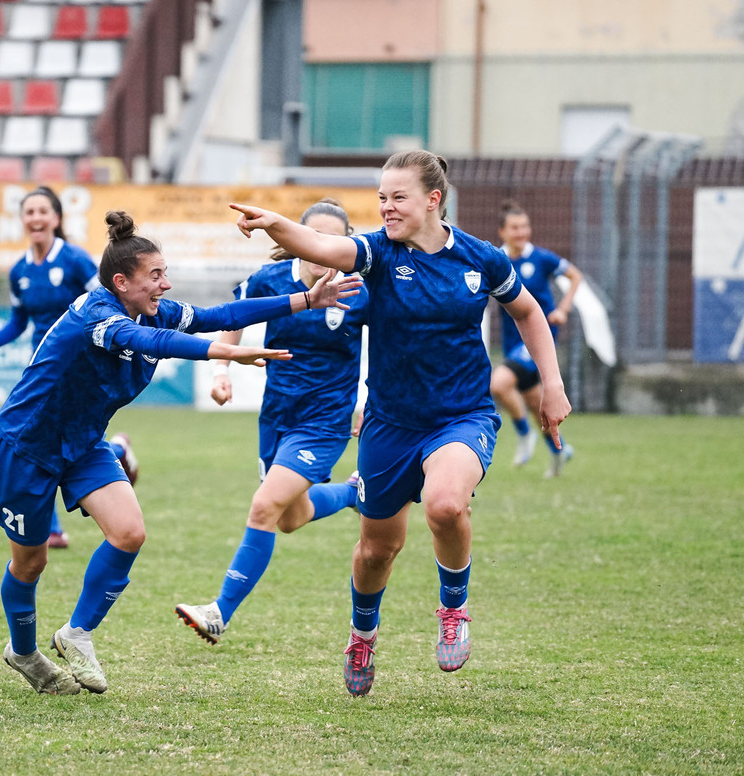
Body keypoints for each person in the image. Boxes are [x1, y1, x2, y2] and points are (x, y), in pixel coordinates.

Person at [231, 149, 570, 695]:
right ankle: (362, 634)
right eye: (381, 198)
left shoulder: (481, 259)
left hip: (461, 415)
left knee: (444, 504)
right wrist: (277, 224)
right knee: (376, 551)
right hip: (390, 423)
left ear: (433, 199)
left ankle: (453, 609)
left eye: (398, 197)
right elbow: (322, 245)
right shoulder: (377, 253)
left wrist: (552, 385)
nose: (386, 207)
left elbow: (528, 311)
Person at [0, 210, 362, 695]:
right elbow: (151, 341)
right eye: (156, 276)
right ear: (122, 282)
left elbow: (219, 316)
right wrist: (225, 355)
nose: (166, 285)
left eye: (165, 273)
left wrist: (307, 300)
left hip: (82, 443)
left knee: (129, 533)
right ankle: (23, 653)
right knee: (31, 563)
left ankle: (77, 634)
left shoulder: (149, 307)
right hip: (26, 446)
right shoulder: (97, 316)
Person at [175, 199, 369, 645]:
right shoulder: (269, 281)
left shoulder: (360, 289)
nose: (319, 249)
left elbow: (389, 350)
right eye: (311, 238)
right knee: (289, 518)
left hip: (326, 422)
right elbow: (233, 320)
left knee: (263, 508)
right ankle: (352, 493)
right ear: (294, 239)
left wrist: (370, 400)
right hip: (278, 416)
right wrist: (221, 371)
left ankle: (219, 611)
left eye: (330, 241)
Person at [0, 185, 137, 549]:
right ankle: (53, 527)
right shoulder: (20, 271)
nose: (36, 218)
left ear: (56, 219)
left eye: (43, 211)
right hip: (43, 371)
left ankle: (117, 452)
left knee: (70, 438)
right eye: (29, 212)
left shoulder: (75, 261)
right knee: (37, 438)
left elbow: (108, 301)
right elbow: (17, 323)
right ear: (23, 221)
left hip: (82, 369)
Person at [490, 200, 583, 477]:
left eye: (525, 226)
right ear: (502, 232)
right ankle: (559, 451)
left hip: (537, 341)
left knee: (499, 384)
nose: (521, 232)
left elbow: (574, 275)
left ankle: (523, 434)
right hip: (512, 343)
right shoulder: (497, 260)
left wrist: (563, 309)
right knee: (535, 404)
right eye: (515, 228)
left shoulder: (541, 259)